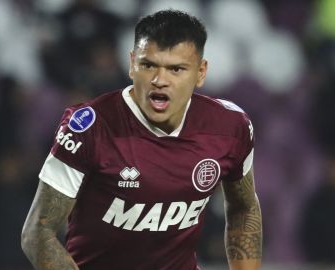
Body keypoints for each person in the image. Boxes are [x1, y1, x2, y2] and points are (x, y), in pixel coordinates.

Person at [21, 9, 262, 270]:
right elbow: (37, 231)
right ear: (132, 64)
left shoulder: (230, 127)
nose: (160, 80)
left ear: (201, 73)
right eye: (148, 66)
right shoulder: (89, 127)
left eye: (176, 69)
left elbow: (243, 207)